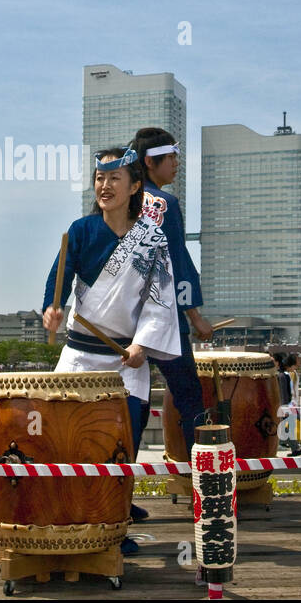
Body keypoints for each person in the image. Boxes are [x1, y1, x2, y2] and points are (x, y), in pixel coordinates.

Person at [42, 146, 181, 554]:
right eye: (100, 178)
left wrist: (143, 344)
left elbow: (160, 300)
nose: (105, 185)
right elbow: (59, 279)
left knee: (122, 444)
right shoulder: (81, 230)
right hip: (80, 356)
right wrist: (51, 310)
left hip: (126, 359)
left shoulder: (152, 239)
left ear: (135, 185)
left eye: (114, 178)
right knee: (70, 440)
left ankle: (110, 524)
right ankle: (69, 518)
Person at [129, 128, 213, 468]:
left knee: (132, 399)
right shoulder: (165, 204)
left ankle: (119, 488)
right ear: (151, 161)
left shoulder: (123, 198)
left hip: (123, 318)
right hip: (162, 319)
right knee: (190, 398)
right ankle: (204, 483)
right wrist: (195, 317)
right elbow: (176, 264)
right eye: (172, 157)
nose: (177, 163)